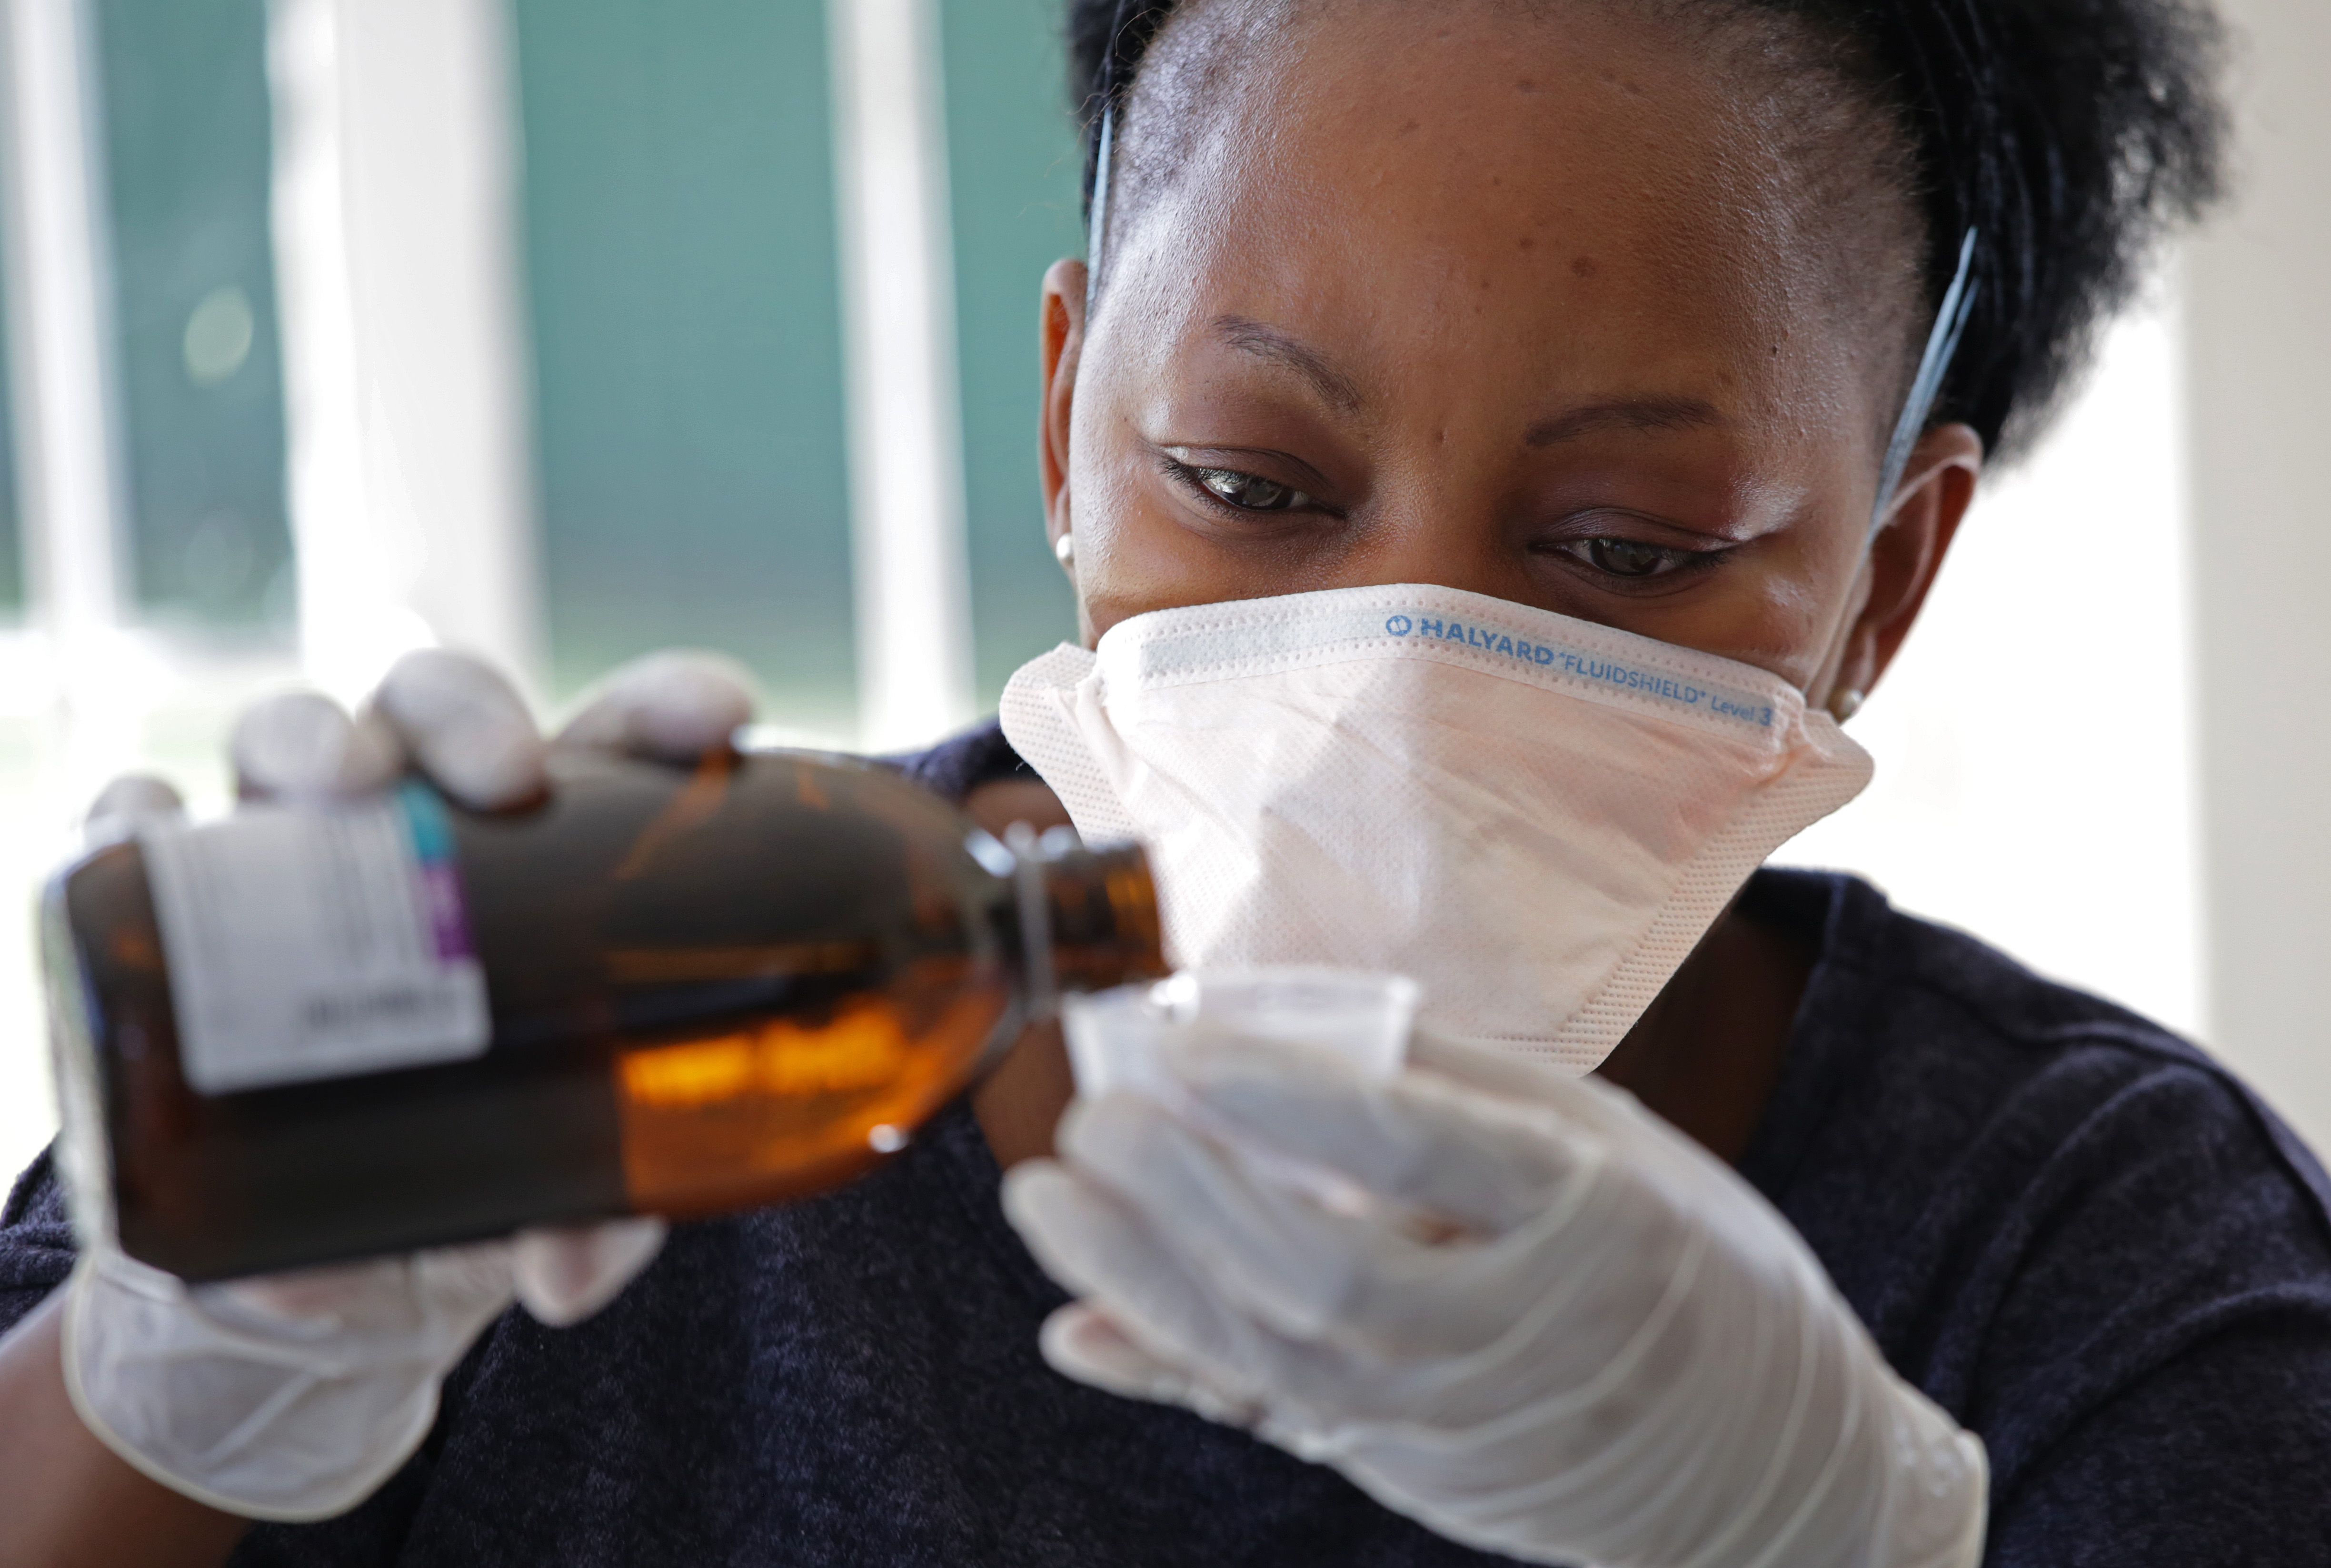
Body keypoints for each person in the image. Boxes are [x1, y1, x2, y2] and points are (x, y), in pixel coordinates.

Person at [6, 0, 2325, 1562]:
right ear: (1063, 419)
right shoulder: (591, 989)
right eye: (1249, 477)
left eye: (1627, 549)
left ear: (1887, 577)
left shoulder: (2107, 1254)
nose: (1394, 671)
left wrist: (1841, 1533)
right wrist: (174, 1384)